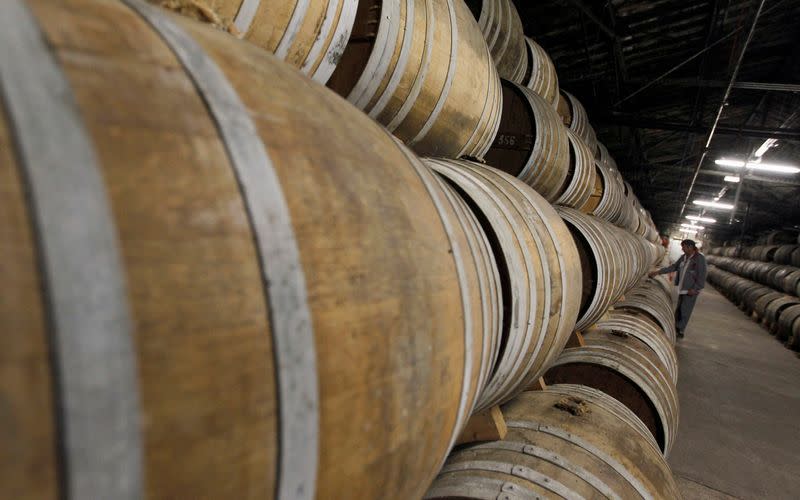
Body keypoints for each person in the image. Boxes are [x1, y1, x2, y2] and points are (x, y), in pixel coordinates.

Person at [648, 239, 707, 339]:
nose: (682, 249)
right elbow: (674, 267)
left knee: (685, 310)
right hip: (683, 288)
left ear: (690, 247)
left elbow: (702, 275)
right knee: (679, 309)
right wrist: (658, 272)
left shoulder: (699, 258)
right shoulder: (684, 257)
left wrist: (695, 288)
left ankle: (680, 330)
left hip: (691, 290)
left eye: (683, 247)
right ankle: (675, 327)